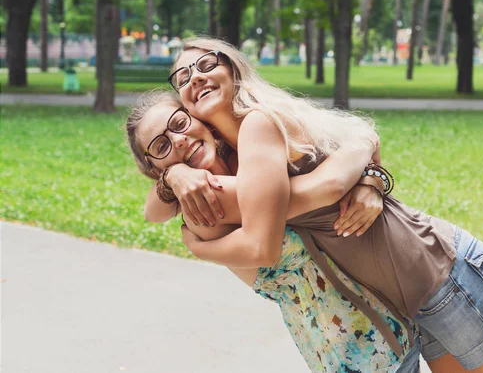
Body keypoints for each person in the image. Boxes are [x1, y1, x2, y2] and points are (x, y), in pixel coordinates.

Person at [157, 36, 483, 373]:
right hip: (401, 298)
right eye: (182, 77)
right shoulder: (227, 162)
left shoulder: (260, 124)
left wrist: (198, 245)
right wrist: (173, 174)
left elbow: (335, 173)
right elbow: (154, 209)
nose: (194, 77)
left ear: (232, 69)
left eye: (205, 64)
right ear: (180, 102)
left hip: (435, 273)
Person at [126, 91, 422, 372]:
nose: (178, 140)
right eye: (161, 146)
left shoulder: (249, 153)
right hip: (356, 348)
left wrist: (372, 176)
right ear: (154, 169)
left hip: (388, 315)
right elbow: (270, 243)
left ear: (197, 120)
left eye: (179, 124)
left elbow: (346, 144)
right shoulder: (204, 210)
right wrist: (174, 180)